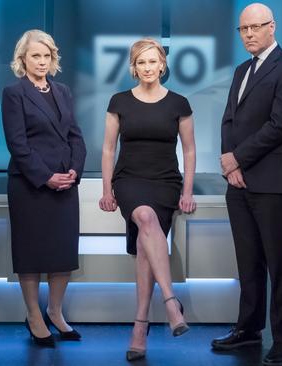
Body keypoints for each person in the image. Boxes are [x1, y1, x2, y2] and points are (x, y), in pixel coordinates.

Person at [211, 3, 282, 366]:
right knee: (247, 261)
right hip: (239, 182)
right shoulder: (241, 70)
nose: (249, 34)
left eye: (256, 27)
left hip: (273, 182)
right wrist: (228, 162)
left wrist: (238, 158)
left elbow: (279, 126)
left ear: (272, 27)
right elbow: (229, 121)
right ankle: (248, 329)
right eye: (243, 29)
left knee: (278, 262)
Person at [99, 38, 197, 361]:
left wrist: (187, 192)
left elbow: (190, 150)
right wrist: (106, 189)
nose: (148, 68)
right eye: (141, 62)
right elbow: (108, 149)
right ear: (134, 67)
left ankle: (140, 327)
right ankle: (171, 301)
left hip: (166, 182)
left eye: (153, 61)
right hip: (129, 180)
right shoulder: (119, 101)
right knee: (144, 217)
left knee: (146, 243)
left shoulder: (180, 103)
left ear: (162, 65)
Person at [1, 29, 87, 347]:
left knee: (62, 253)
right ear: (23, 59)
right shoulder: (14, 93)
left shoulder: (62, 91)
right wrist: (47, 176)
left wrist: (74, 171)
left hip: (65, 184)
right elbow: (17, 145)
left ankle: (55, 311)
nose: (41, 61)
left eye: (46, 56)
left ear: (53, 59)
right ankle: (34, 316)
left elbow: (75, 135)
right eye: (35, 55)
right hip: (30, 186)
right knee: (32, 254)